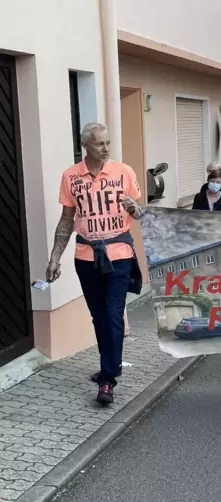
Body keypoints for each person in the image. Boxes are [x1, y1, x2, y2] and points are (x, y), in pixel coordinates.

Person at [47, 122, 144, 406]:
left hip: (119, 254)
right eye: (100, 144)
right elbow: (67, 219)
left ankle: (107, 381)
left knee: (113, 315)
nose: (106, 148)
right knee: (99, 317)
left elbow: (139, 214)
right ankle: (107, 366)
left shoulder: (123, 171)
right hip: (86, 256)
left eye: (108, 143)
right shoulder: (71, 177)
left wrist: (133, 209)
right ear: (85, 146)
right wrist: (54, 257)